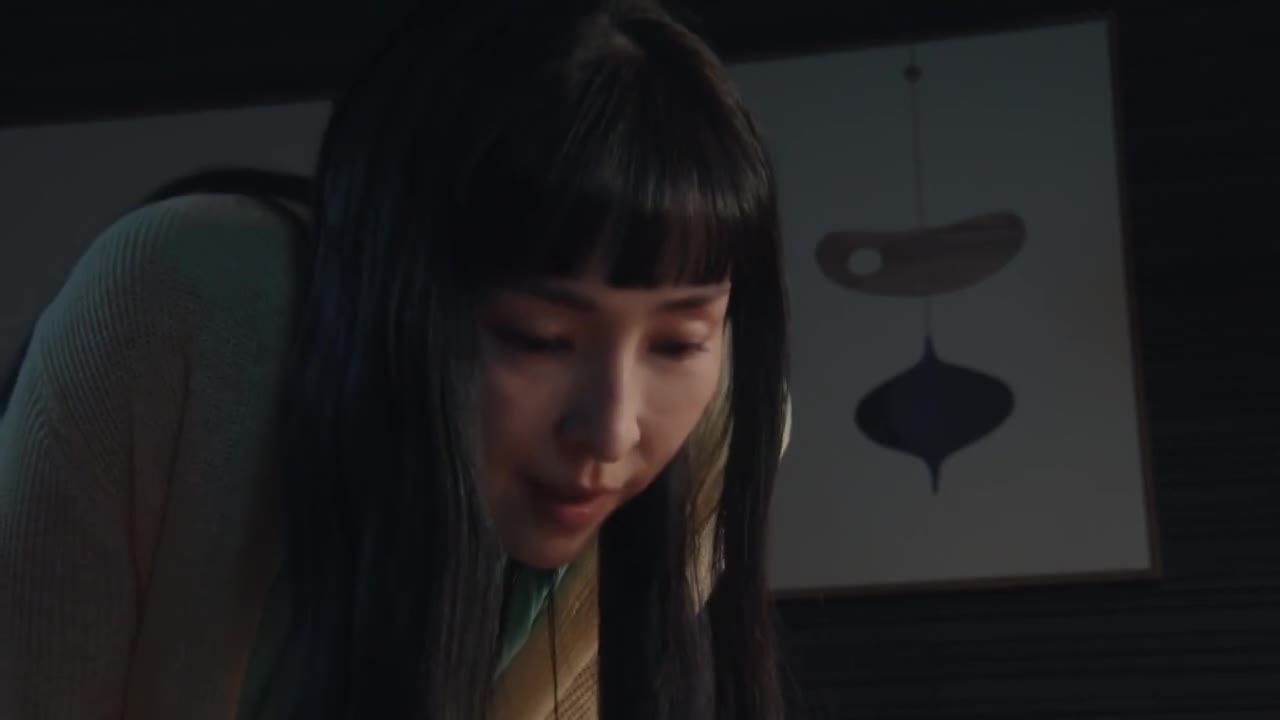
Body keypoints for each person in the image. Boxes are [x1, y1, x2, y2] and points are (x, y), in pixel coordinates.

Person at [0, 0, 792, 718]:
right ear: (398, 296)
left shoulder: (717, 429)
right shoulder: (179, 314)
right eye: (538, 337)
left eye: (679, 343)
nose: (612, 430)